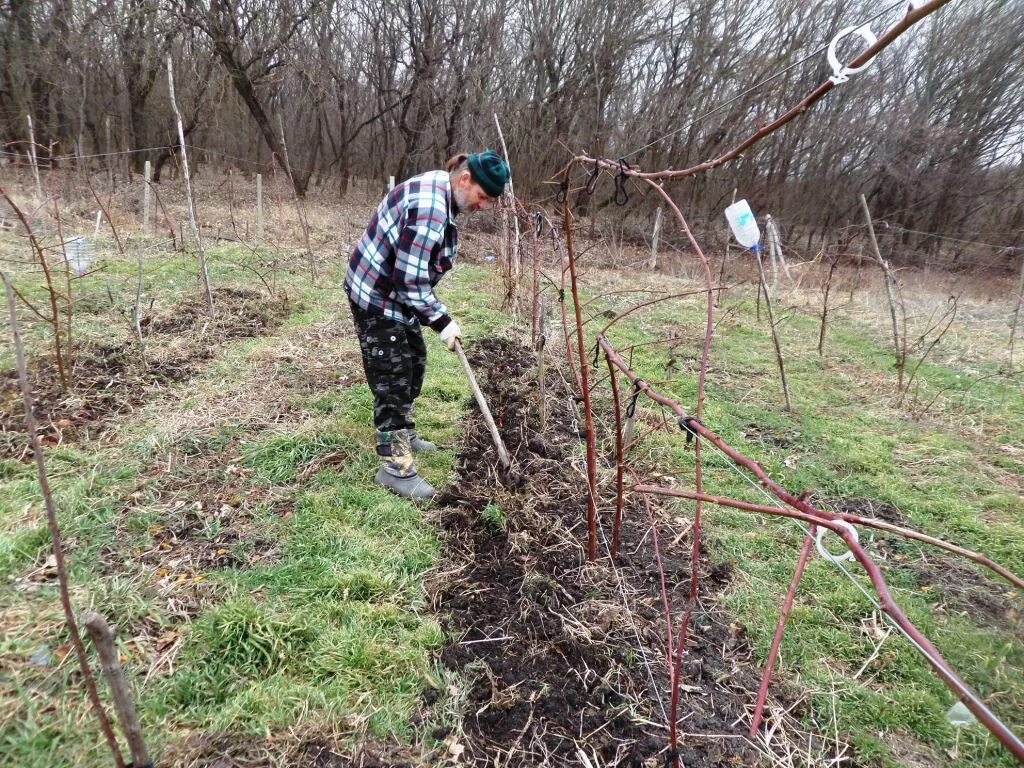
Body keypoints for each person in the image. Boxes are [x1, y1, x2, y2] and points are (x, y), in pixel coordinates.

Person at [345, 150, 511, 500]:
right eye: (482, 197)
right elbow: (409, 281)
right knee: (393, 376)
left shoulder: (444, 190)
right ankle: (396, 468)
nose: (483, 206)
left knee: (414, 359)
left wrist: (435, 318)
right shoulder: (430, 209)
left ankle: (406, 433)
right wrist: (442, 321)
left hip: (394, 292)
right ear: (465, 179)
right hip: (376, 293)